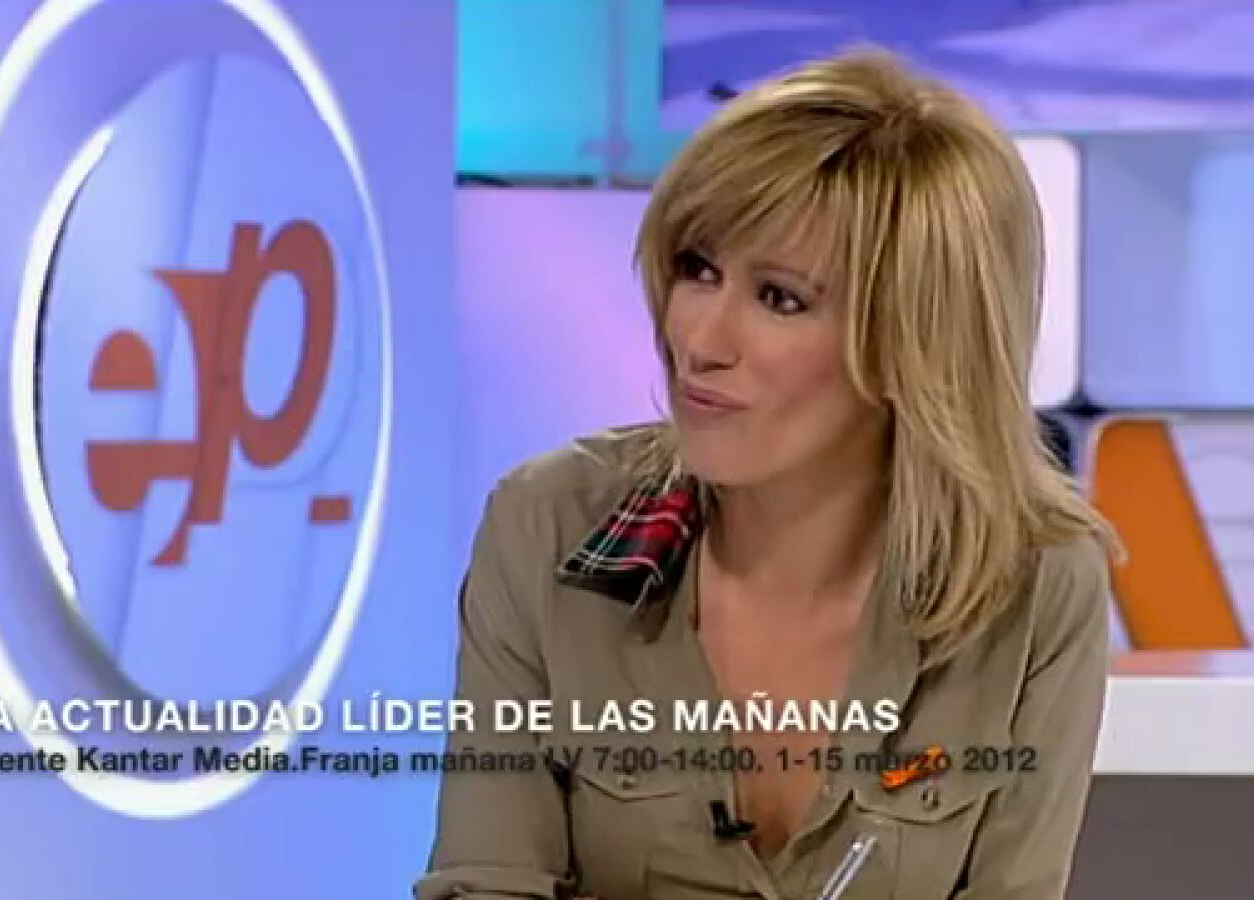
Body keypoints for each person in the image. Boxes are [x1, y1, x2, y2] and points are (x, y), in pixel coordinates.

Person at [416, 46, 1120, 900]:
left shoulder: (1035, 583)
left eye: (780, 298)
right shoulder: (549, 528)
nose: (700, 342)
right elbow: (486, 883)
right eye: (698, 270)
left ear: (913, 341)